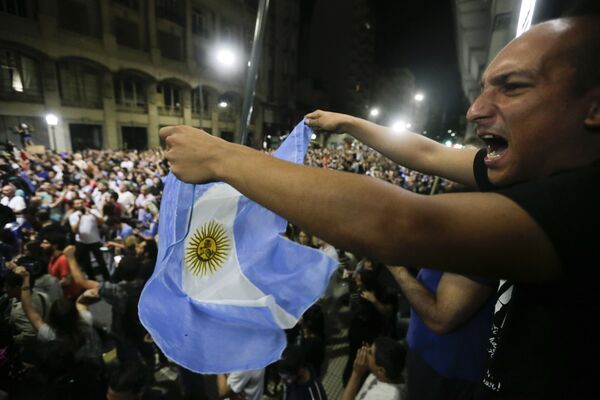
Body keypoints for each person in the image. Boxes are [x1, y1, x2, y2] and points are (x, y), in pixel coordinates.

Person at [160, 13, 600, 398]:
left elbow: (403, 223)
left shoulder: (585, 202)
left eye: (513, 87)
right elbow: (428, 154)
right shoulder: (536, 171)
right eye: (483, 89)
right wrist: (349, 123)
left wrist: (223, 158)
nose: (475, 110)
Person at [389, 267, 496, 399]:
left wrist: (396, 269)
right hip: (423, 354)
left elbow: (440, 318)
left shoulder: (478, 251)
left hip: (446, 371)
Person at [341, 337, 407, 400]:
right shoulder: (393, 369)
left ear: (381, 370)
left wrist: (356, 373)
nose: (366, 351)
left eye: (370, 353)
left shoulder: (384, 397)